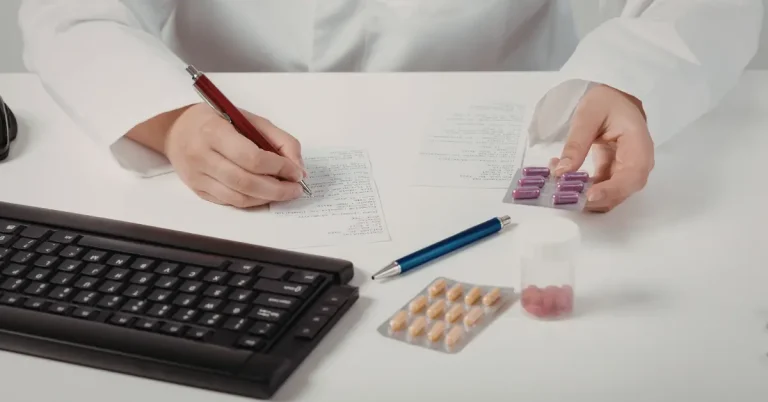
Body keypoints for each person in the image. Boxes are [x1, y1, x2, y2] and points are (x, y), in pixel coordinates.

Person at [18, 0, 763, 212]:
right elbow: (72, 12)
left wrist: (630, 81)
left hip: (499, 153)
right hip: (240, 154)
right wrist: (172, 121)